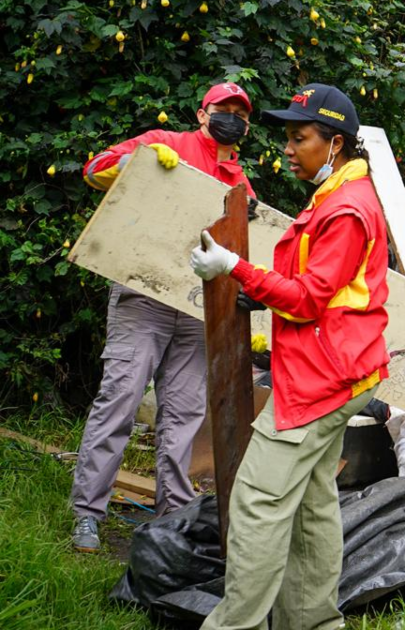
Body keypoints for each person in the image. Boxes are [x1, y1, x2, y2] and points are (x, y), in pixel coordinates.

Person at [189, 83, 390, 629]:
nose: (287, 148)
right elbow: (318, 283)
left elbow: (308, 298)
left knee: (256, 502)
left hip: (322, 382)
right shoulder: (337, 195)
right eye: (287, 137)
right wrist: (267, 285)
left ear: (336, 143)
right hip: (341, 369)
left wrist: (237, 268)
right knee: (309, 504)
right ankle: (314, 622)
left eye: (299, 138)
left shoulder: (346, 208)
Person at [71, 82, 256, 553]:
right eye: (223, 109)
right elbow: (93, 168)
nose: (231, 118)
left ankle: (170, 519)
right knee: (120, 400)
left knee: (185, 415)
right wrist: (136, 164)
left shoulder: (240, 180)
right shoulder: (166, 144)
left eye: (240, 113)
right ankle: (88, 515)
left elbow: (250, 242)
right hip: (145, 295)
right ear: (202, 114)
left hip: (197, 309)